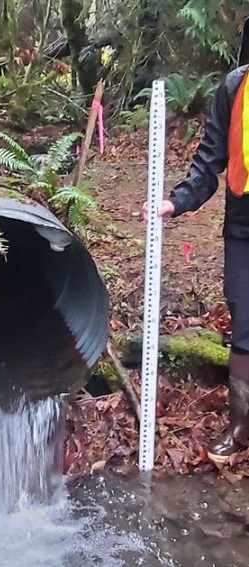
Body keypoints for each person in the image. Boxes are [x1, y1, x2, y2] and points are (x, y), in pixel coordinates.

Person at [148, 17, 249, 463]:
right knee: (244, 316)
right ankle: (241, 423)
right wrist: (177, 202)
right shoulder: (234, 88)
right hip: (243, 226)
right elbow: (209, 161)